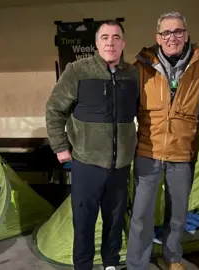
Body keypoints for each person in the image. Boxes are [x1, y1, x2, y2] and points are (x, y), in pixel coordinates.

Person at [45, 20, 139, 270]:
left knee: (115, 219)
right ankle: (83, 266)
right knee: (84, 221)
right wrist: (60, 146)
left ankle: (110, 263)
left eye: (116, 37)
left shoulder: (133, 74)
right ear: (96, 43)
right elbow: (55, 109)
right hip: (87, 164)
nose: (110, 42)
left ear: (123, 43)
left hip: (120, 166)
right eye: (105, 37)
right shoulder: (77, 71)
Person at [126, 11, 199, 270]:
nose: (172, 37)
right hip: (147, 151)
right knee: (141, 215)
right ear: (157, 37)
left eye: (178, 31)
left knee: (178, 215)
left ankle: (172, 258)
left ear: (186, 35)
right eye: (166, 33)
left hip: (183, 153)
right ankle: (137, 264)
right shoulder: (141, 66)